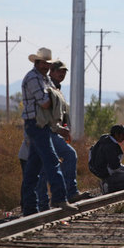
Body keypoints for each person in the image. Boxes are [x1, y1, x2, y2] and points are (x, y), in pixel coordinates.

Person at [20, 47, 77, 216]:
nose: (46, 66)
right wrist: (56, 100)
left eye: (48, 63)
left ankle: (30, 209)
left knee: (33, 169)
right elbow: (46, 103)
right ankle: (60, 198)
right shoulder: (33, 78)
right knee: (52, 161)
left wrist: (57, 124)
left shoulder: (44, 78)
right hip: (35, 125)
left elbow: (52, 100)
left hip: (41, 125)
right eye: (43, 63)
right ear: (37, 62)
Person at [34, 60, 90, 210]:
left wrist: (64, 129)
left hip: (53, 131)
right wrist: (59, 130)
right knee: (64, 157)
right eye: (59, 71)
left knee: (46, 167)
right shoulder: (47, 88)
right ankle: (65, 194)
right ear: (51, 72)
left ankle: (47, 201)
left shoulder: (56, 88)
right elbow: (44, 113)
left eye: (64, 72)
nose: (62, 74)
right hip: (45, 131)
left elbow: (61, 113)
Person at [88, 125, 124, 193]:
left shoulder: (105, 141)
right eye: (123, 134)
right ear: (116, 134)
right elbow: (114, 167)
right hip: (107, 174)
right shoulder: (111, 146)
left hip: (102, 172)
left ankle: (107, 184)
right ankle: (109, 187)